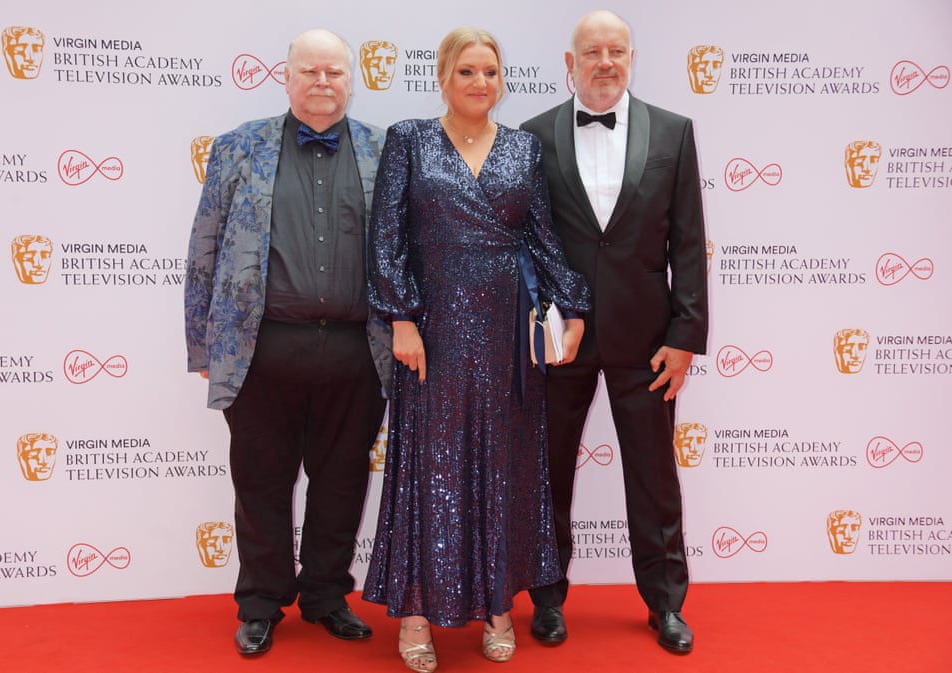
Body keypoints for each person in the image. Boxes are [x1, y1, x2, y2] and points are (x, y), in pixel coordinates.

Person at [361, 27, 591, 673]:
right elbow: (386, 237)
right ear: (443, 76)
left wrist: (573, 305)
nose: (480, 83)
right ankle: (416, 612)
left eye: (490, 71)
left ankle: (497, 606)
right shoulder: (409, 139)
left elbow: (542, 236)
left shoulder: (523, 148)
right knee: (430, 473)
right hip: (433, 333)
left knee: (504, 468)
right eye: (467, 71)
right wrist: (401, 319)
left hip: (507, 336)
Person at [184, 28, 392, 657]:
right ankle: (260, 602)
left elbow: (406, 254)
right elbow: (205, 245)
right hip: (261, 349)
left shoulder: (386, 151)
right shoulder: (238, 146)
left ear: (351, 80)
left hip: (358, 351)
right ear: (288, 76)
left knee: (342, 481)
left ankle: (326, 595)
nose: (322, 82)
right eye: (310, 71)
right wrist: (202, 345)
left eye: (334, 72)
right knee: (261, 482)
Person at [521, 10, 708, 655]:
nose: (605, 62)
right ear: (569, 64)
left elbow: (689, 241)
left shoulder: (674, 131)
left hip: (648, 340)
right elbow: (525, 243)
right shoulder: (531, 136)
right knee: (547, 472)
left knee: (654, 478)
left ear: (631, 58)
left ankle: (666, 604)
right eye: (592, 52)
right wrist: (535, 323)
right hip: (559, 337)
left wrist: (685, 334)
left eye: (617, 51)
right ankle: (546, 599)